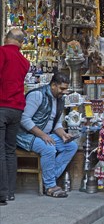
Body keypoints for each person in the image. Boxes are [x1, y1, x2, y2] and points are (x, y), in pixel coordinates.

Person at [16, 73, 77, 198]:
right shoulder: (37, 95)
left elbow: (56, 123)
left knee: (71, 146)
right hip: (25, 135)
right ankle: (49, 186)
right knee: (49, 148)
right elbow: (24, 119)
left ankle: (50, 176)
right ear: (53, 85)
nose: (64, 92)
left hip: (45, 134)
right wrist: (43, 135)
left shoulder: (60, 99)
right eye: (62, 88)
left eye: (66, 89)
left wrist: (63, 134)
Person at [0, 29, 30, 205]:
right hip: (16, 109)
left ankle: (1, 194)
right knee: (10, 149)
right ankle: (10, 191)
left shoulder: (2, 53)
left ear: (6, 38)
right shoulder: (24, 61)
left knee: (1, 151)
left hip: (2, 106)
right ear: (21, 43)